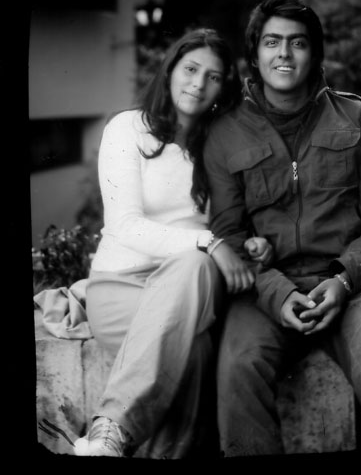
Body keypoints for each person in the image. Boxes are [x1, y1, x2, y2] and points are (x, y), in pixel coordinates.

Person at [203, 0, 361, 456]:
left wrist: (344, 278)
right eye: (272, 42)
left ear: (315, 53)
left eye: (297, 43)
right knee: (237, 367)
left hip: (359, 285)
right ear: (255, 55)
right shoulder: (225, 132)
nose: (284, 53)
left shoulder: (357, 117)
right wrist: (276, 293)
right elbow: (229, 234)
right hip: (266, 289)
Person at [73, 28, 272, 459]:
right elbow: (124, 225)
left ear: (223, 88)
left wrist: (249, 245)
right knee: (195, 348)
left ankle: (110, 434)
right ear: (170, 71)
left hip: (194, 287)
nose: (198, 84)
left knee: (193, 265)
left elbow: (234, 223)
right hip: (121, 286)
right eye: (191, 69)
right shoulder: (127, 128)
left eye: (213, 77)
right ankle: (118, 436)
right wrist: (208, 242)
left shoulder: (218, 146)